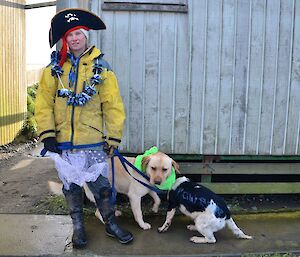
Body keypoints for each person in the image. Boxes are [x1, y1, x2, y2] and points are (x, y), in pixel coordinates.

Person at [35, 8, 133, 248]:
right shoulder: (53, 70)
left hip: (92, 141)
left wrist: (113, 137)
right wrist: (48, 135)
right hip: (64, 143)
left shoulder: (102, 67)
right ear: (64, 40)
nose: (75, 38)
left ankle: (110, 223)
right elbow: (44, 104)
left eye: (78, 33)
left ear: (85, 34)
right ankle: (78, 228)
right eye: (69, 35)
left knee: (101, 187)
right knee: (72, 188)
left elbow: (113, 106)